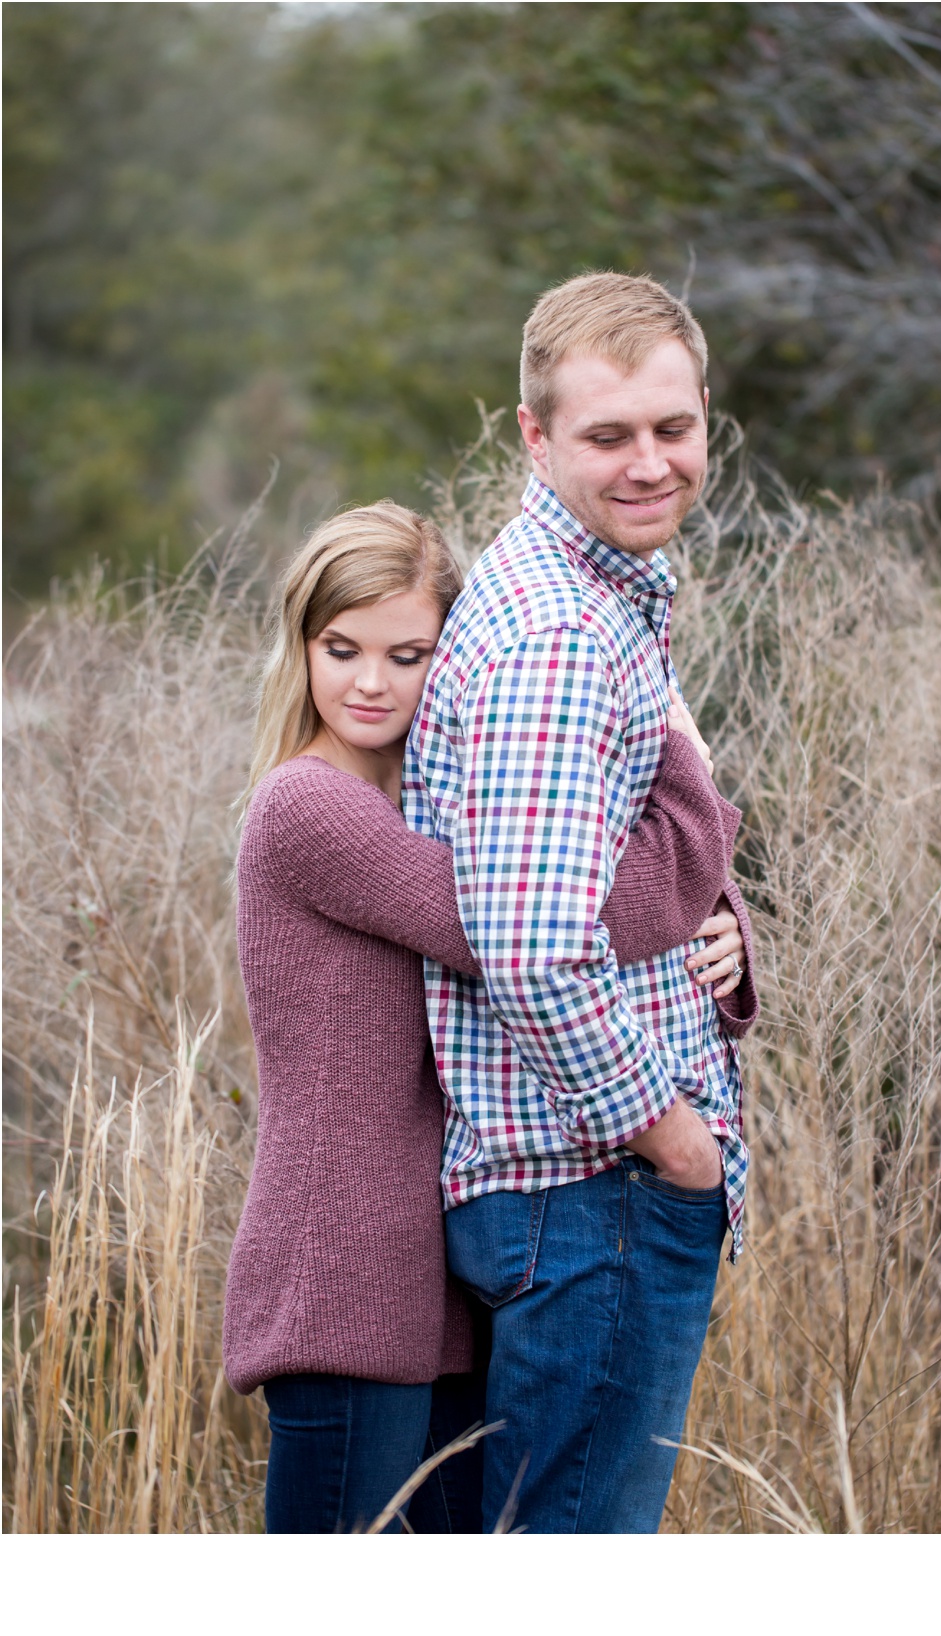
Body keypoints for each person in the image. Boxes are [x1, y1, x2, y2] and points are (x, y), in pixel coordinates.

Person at [226, 501, 753, 1533]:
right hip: (342, 1275)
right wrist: (687, 778)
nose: (370, 682)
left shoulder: (422, 804)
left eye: (407, 653)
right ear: (301, 647)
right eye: (341, 648)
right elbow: (525, 926)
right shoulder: (309, 808)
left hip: (425, 1283)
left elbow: (574, 896)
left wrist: (724, 925)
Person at [404, 271, 756, 1533]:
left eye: (673, 427)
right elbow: (536, 949)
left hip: (567, 1200)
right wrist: (674, 1144)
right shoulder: (560, 631)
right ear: (535, 436)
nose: (649, 463)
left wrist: (712, 928)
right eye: (608, 436)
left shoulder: (593, 596)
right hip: (590, 1193)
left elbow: (592, 873)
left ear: (705, 413)